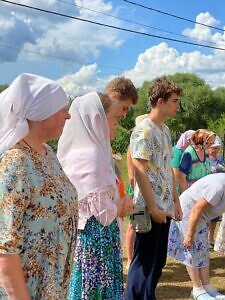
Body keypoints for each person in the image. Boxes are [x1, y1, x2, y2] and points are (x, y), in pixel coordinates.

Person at [0, 73, 78, 299]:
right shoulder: (15, 162)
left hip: (52, 288)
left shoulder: (48, 154)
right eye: (62, 109)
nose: (69, 115)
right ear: (42, 114)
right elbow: (5, 249)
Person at [57, 92, 135, 300]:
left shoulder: (84, 152)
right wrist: (123, 206)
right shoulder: (90, 156)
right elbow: (103, 212)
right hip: (97, 240)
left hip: (90, 236)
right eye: (114, 118)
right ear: (97, 119)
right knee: (95, 290)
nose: (117, 124)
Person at [125, 76, 183, 300]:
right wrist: (153, 206)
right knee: (143, 261)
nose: (178, 106)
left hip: (164, 206)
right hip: (146, 208)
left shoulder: (165, 130)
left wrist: (175, 201)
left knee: (157, 261)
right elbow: (139, 170)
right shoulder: (143, 130)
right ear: (161, 101)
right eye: (175, 101)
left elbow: (167, 168)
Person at [168, 173, 225, 300]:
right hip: (188, 212)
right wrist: (189, 234)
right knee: (192, 249)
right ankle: (197, 289)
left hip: (201, 216)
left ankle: (207, 286)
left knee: (203, 250)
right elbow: (196, 210)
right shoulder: (218, 187)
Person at [125, 114, 148, 269]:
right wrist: (136, 194)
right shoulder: (133, 147)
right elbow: (132, 175)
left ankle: (141, 256)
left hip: (146, 191)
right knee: (133, 225)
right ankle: (130, 258)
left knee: (144, 225)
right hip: (137, 191)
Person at [179, 129, 216, 193]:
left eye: (211, 143)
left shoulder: (206, 152)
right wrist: (185, 197)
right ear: (199, 140)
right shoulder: (189, 153)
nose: (210, 145)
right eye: (207, 143)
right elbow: (182, 178)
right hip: (191, 194)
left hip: (203, 192)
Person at [208, 136, 225, 248]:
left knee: (214, 217)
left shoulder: (220, 159)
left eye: (218, 148)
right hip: (209, 190)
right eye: (214, 148)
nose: (216, 150)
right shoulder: (205, 159)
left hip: (218, 191)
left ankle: (211, 238)